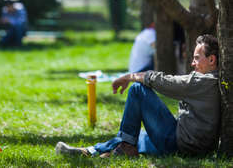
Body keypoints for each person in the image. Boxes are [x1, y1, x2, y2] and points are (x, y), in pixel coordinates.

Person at [56, 34, 220, 158]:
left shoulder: (203, 82)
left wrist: (129, 76)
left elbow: (164, 82)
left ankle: (125, 146)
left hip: (179, 144)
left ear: (212, 59)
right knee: (136, 136)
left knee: (137, 89)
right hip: (187, 143)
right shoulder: (214, 81)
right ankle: (90, 151)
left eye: (197, 58)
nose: (192, 63)